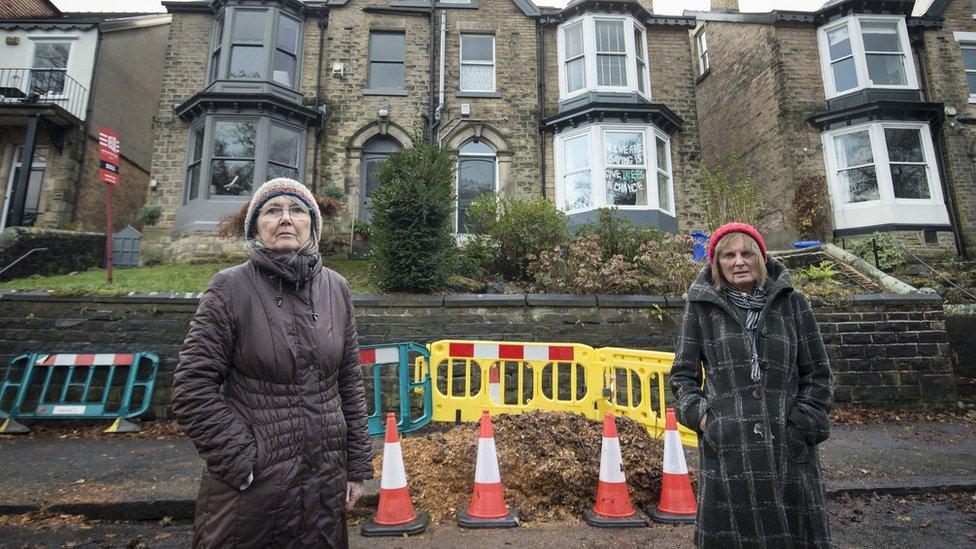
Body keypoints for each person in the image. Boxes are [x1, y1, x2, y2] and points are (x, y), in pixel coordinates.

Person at [172, 178, 373, 548]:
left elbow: (349, 382)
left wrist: (356, 467)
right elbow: (191, 388)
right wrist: (242, 459)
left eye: (296, 210)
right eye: (272, 211)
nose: (285, 219)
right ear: (256, 226)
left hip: (323, 488)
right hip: (253, 493)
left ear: (312, 224)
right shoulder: (229, 288)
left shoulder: (336, 289)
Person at [669, 222, 833, 548]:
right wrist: (707, 420)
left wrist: (800, 426)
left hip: (789, 451)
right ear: (717, 263)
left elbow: (819, 376)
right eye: (728, 255)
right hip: (730, 454)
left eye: (747, 253)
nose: (739, 261)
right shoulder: (702, 308)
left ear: (761, 256)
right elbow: (682, 377)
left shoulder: (792, 303)